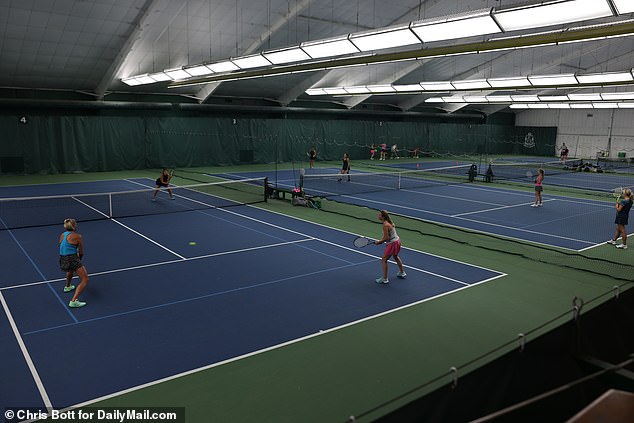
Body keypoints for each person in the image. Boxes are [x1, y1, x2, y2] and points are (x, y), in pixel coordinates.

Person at [59, 218, 89, 308]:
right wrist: (79, 260)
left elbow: (63, 246)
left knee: (70, 269)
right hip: (72, 258)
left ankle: (67, 286)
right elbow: (81, 252)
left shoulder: (62, 235)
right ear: (74, 226)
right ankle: (73, 301)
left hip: (62, 258)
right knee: (85, 279)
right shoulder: (78, 236)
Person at [374, 210, 406, 284]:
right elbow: (387, 236)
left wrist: (379, 242)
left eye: (379, 215)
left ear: (383, 217)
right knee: (395, 256)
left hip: (393, 243)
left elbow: (386, 238)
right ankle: (402, 272)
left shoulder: (385, 225)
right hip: (397, 241)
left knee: (384, 260)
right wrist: (381, 240)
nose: (378, 216)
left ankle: (385, 279)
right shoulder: (389, 222)